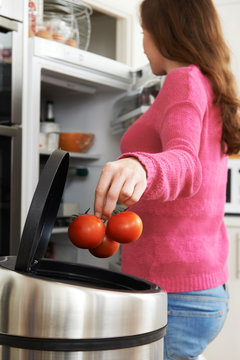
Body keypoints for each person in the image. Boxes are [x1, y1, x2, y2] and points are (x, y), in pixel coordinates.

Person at [94, 0, 240, 359]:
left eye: (144, 32)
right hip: (199, 287)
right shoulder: (208, 84)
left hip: (175, 296)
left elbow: (186, 163)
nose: (143, 44)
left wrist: (141, 167)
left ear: (165, 32)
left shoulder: (184, 80)